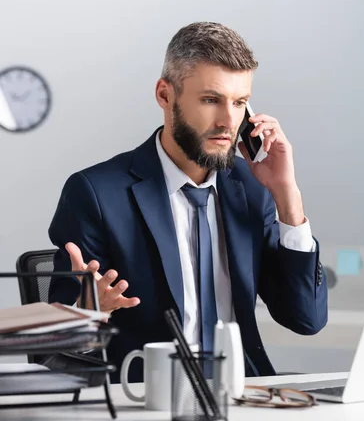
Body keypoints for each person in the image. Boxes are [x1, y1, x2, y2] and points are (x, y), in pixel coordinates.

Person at [48, 22, 327, 382]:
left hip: (242, 398)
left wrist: (288, 198)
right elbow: (53, 349)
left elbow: (305, 319)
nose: (229, 121)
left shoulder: (252, 190)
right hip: (148, 403)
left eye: (240, 102)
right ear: (165, 95)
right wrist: (90, 313)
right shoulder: (96, 193)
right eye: (211, 100)